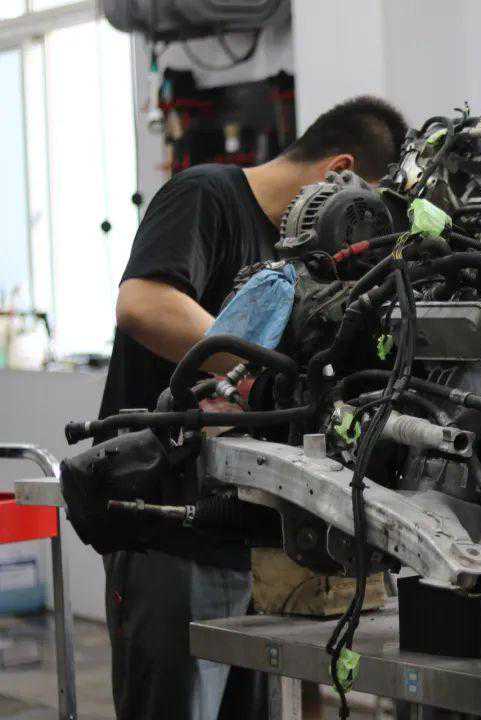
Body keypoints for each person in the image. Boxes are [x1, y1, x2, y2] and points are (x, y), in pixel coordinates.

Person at [97, 95, 408, 720]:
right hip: (169, 530)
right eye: (366, 210)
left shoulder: (308, 255)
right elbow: (144, 304)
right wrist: (268, 380)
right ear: (340, 172)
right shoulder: (206, 195)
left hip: (254, 541)